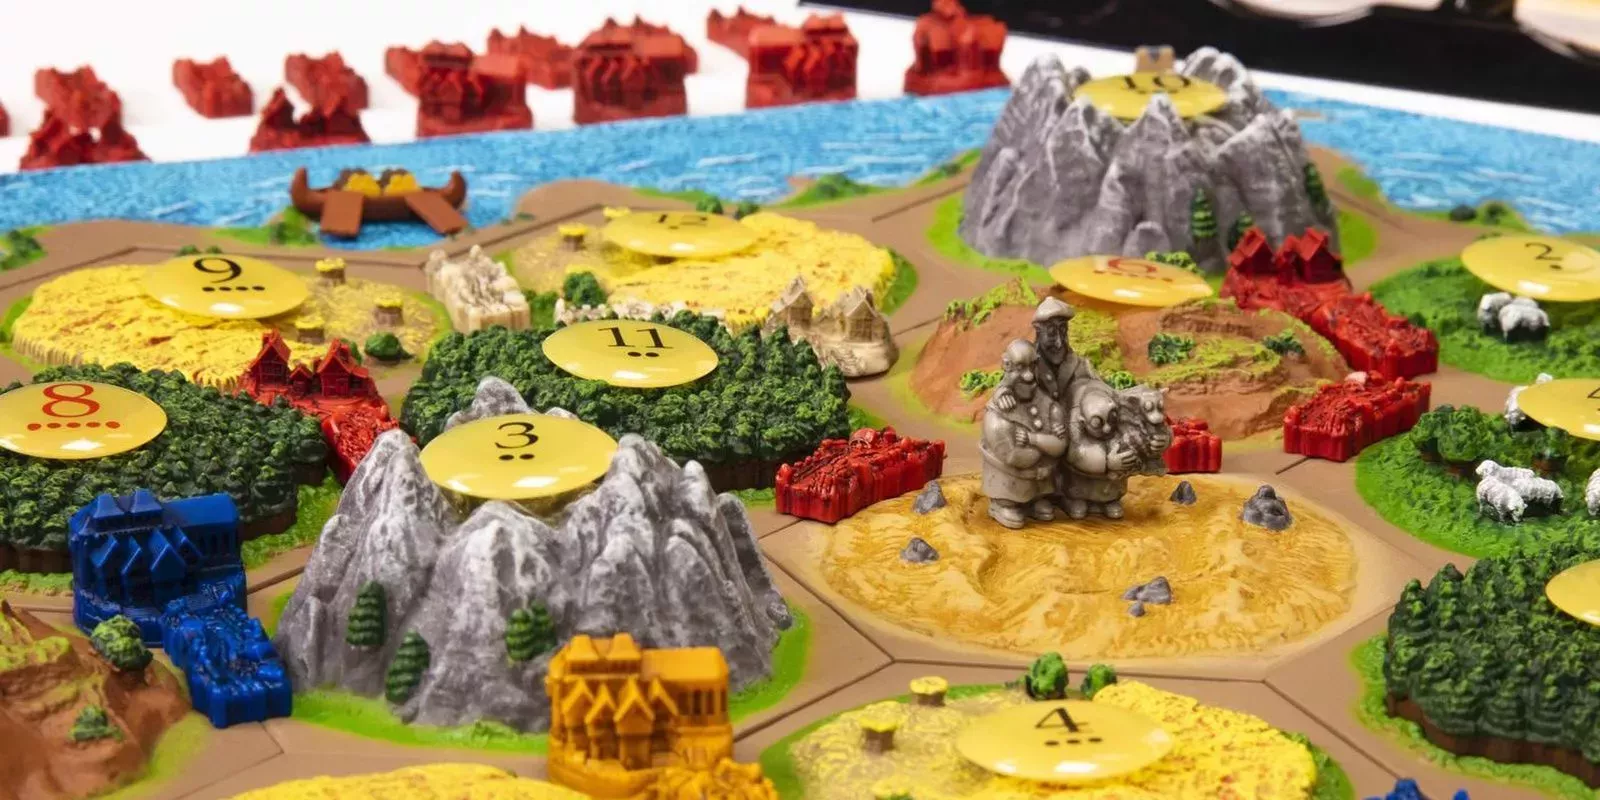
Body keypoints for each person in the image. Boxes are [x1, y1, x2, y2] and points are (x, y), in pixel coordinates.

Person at [980, 340, 1067, 529]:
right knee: (1012, 476)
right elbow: (1011, 455)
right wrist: (1043, 447)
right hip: (1010, 478)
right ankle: (1003, 504)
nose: (1028, 375)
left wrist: (1035, 439)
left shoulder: (1044, 400)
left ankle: (1033, 500)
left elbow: (1060, 444)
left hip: (1041, 478)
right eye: (1020, 368)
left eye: (1032, 366)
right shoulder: (999, 410)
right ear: (1007, 366)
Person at [991, 297, 1100, 416]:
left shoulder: (1082, 365)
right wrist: (1002, 394)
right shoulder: (1030, 365)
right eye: (1051, 333)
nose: (1059, 343)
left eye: (1063, 331)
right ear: (1038, 333)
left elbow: (1102, 390)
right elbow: (1007, 383)